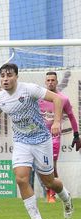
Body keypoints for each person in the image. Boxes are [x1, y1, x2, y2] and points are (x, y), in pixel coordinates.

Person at [0, 63, 74, 219]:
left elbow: (57, 99)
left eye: (9, 76)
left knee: (49, 182)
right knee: (21, 178)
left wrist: (57, 121)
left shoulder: (29, 89)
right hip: (21, 142)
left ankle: (66, 198)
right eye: (2, 76)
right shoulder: (1, 98)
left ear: (16, 76)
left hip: (41, 140)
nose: (5, 79)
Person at [38, 71, 80, 202]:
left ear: (56, 82)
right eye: (48, 80)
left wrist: (76, 135)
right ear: (45, 82)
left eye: (53, 80)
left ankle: (51, 194)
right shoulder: (39, 97)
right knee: (41, 166)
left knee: (52, 165)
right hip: (39, 136)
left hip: (54, 136)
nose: (50, 82)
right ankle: (56, 190)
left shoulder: (63, 99)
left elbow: (72, 117)